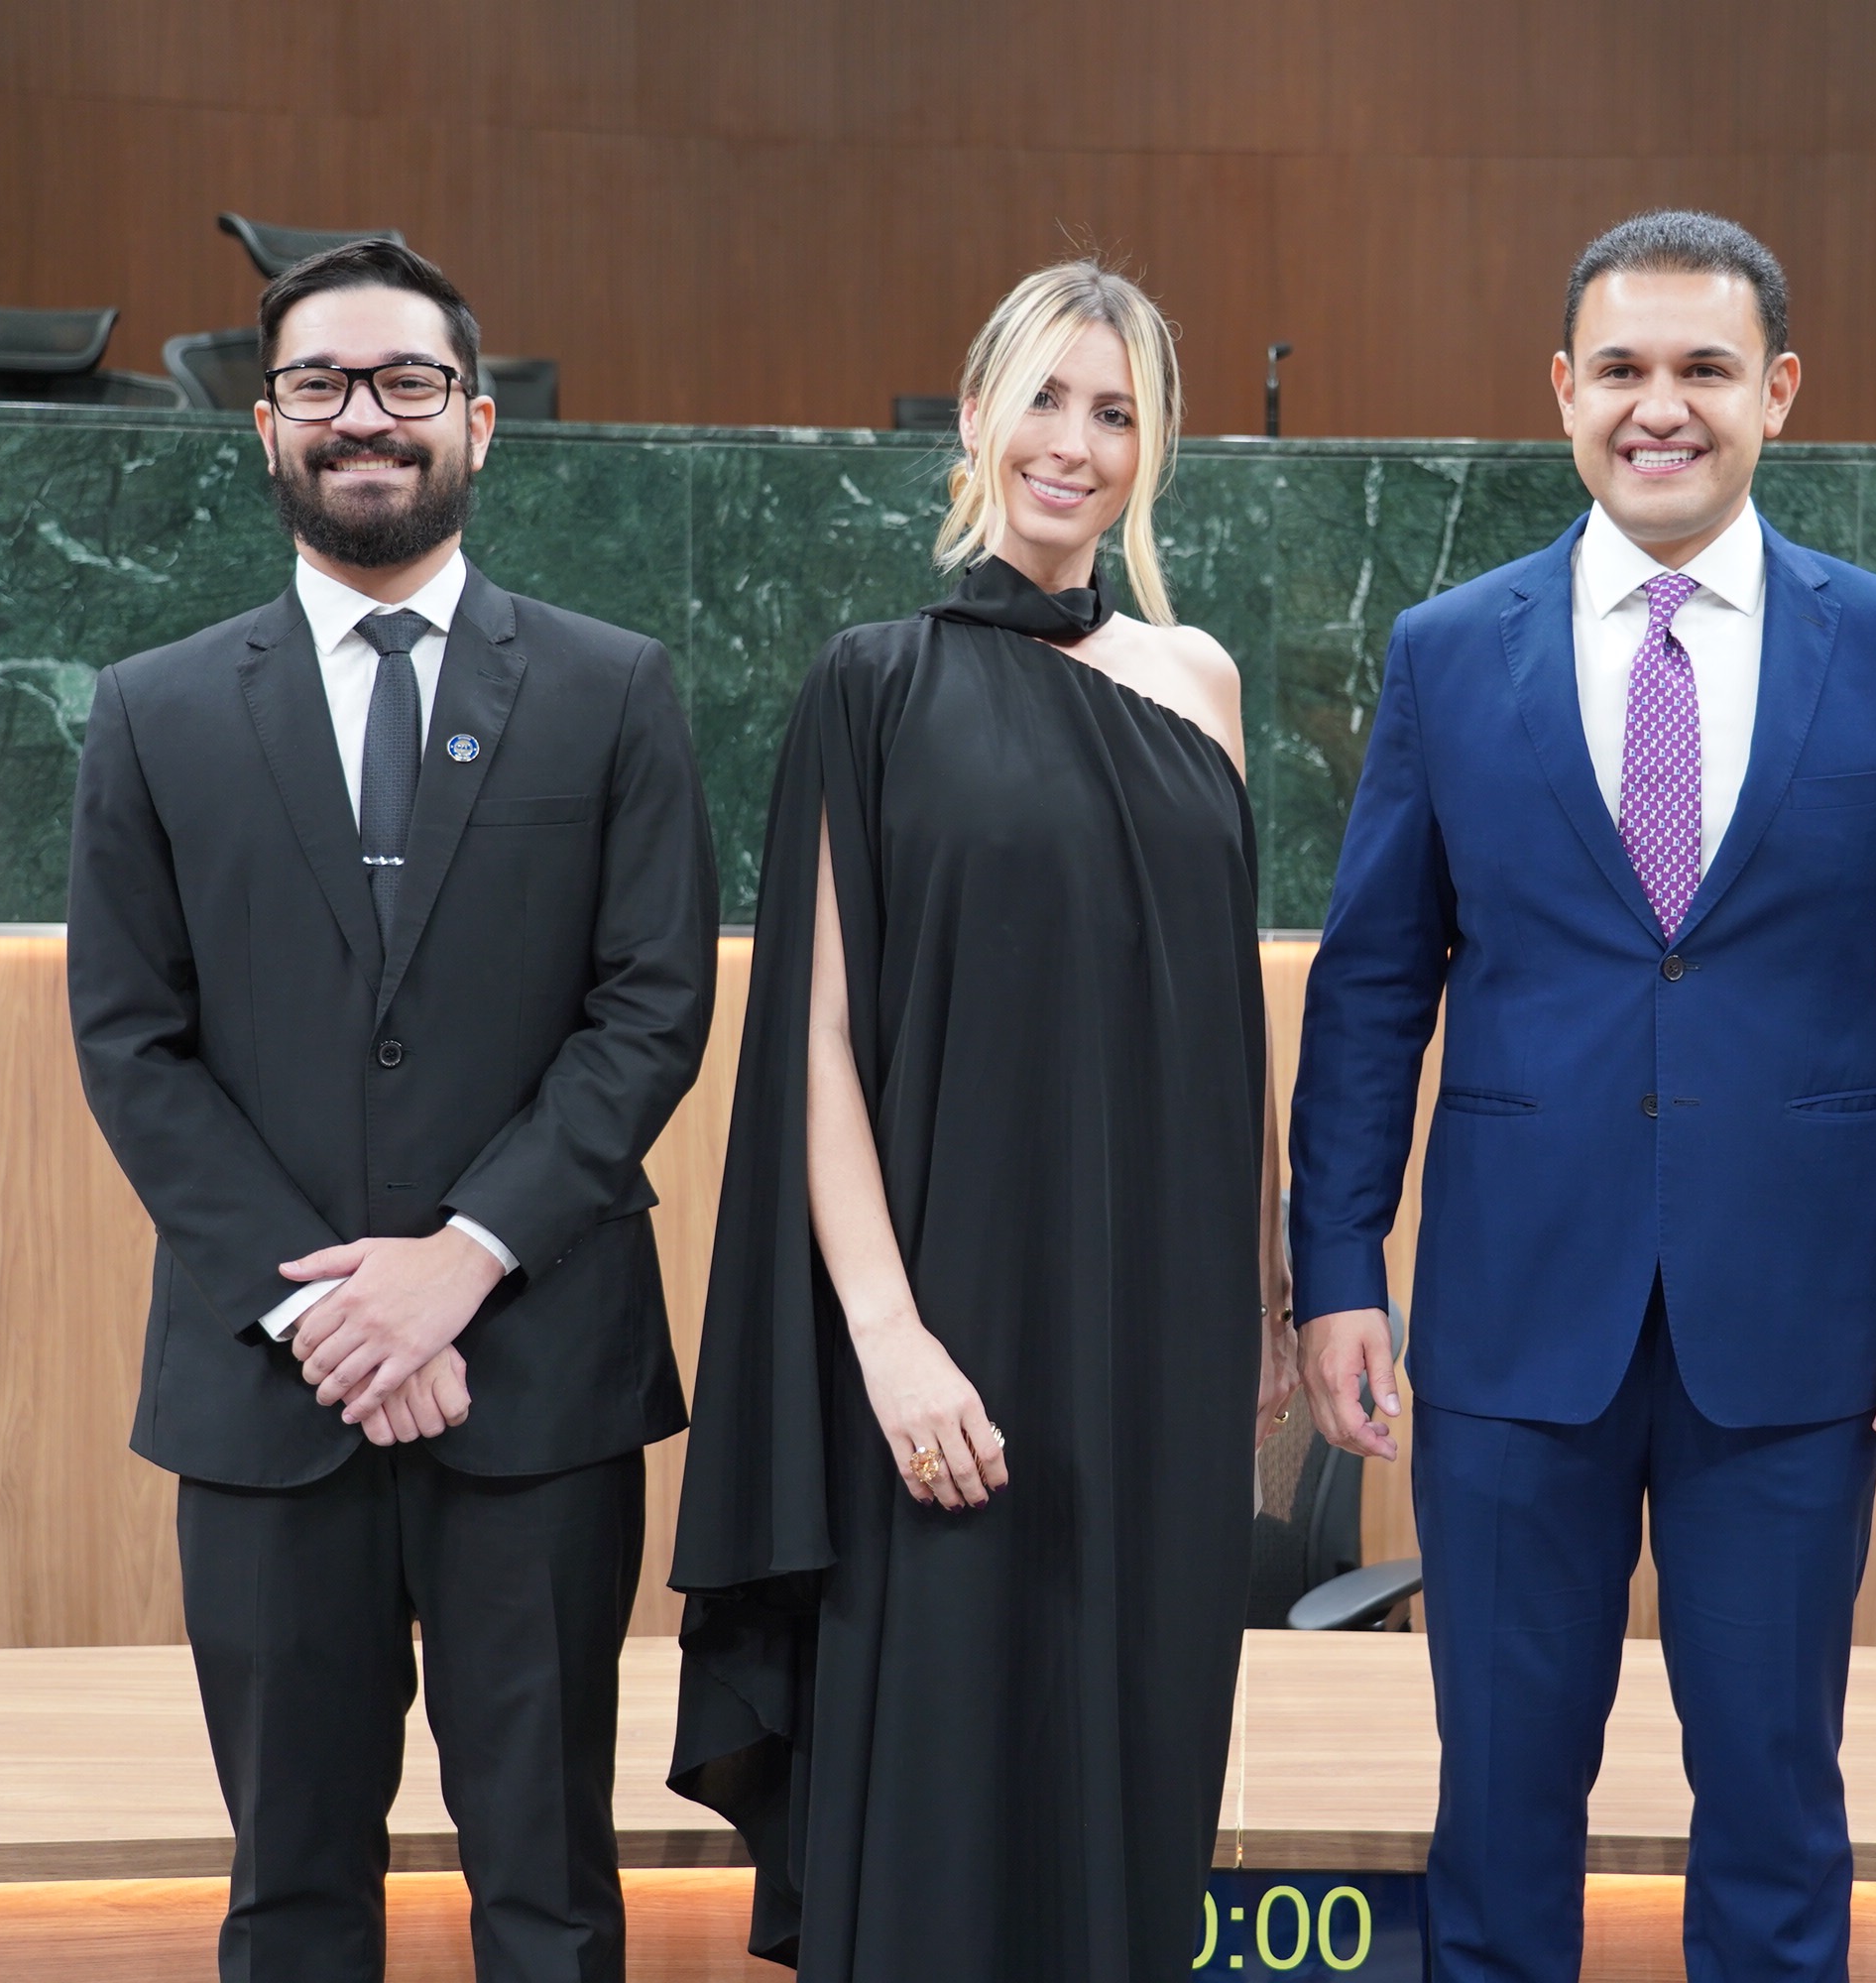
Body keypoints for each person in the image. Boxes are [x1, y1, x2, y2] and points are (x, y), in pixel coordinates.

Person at [1290, 211, 1876, 1982]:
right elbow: (1375, 987)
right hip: (1510, 1320)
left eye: (1706, 368)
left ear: (1778, 391)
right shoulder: (1448, 648)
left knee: (1775, 1805)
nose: (1661, 406)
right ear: (1563, 391)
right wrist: (1336, 1268)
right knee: (1500, 1809)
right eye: (1622, 369)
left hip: (1798, 1327)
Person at [65, 238, 720, 1983]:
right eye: (321, 384)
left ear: (478, 422)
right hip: (264, 1393)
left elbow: (653, 1008)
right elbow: (132, 1045)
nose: (366, 416)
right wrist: (333, 1312)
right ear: (265, 426)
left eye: (408, 382)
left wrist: (461, 1261)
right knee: (288, 1896)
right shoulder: (153, 713)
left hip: (538, 1380)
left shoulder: (614, 690)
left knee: (551, 1895)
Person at [666, 260, 1296, 1982]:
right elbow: (813, 1040)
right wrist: (888, 1341)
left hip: (1164, 1347)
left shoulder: (1205, 684)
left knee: (1141, 1765)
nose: (1074, 443)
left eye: (1116, 413)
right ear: (974, 419)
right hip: (954, 1326)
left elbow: (1232, 1026)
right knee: (947, 1774)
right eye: (1046, 400)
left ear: (1152, 451)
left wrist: (1265, 1302)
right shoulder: (870, 684)